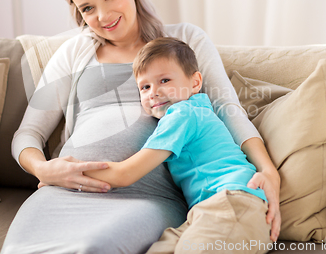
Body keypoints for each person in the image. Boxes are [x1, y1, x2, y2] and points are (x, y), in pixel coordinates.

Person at [1, 0, 280, 254]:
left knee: (92, 249)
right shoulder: (74, 51)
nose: (103, 16)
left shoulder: (184, 41)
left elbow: (228, 110)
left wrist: (268, 171)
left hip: (144, 195)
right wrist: (44, 169)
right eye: (87, 8)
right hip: (64, 189)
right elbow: (28, 134)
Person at [83, 37, 272, 254]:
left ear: (195, 82)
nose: (153, 91)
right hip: (205, 211)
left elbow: (124, 174)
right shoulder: (196, 110)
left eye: (164, 80)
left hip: (234, 201)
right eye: (145, 86)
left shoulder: (183, 113)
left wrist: (66, 170)